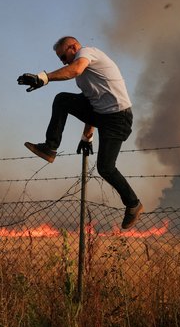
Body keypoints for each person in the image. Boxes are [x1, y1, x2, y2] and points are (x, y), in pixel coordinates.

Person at [17, 36, 143, 229]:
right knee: (62, 100)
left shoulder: (87, 53)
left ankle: (133, 204)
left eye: (63, 56)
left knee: (106, 168)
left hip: (118, 119)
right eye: (60, 59)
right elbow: (92, 103)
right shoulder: (82, 78)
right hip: (102, 115)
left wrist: (43, 78)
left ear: (74, 47)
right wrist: (87, 136)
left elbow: (74, 69)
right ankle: (50, 148)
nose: (63, 61)